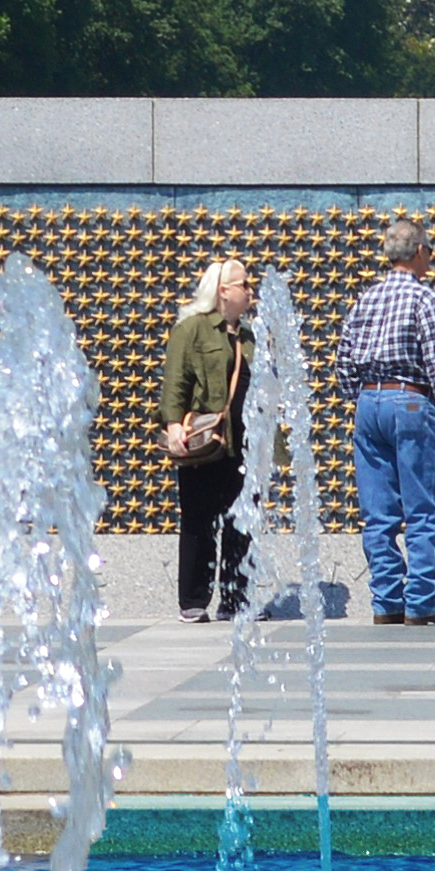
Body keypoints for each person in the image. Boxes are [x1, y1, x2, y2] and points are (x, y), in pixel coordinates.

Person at [332, 218, 435, 625]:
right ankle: (421, 601)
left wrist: (365, 398)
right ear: (420, 252)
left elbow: (342, 362)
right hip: (411, 400)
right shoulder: (425, 299)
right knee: (423, 506)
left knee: (378, 512)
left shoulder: (365, 299)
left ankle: (386, 601)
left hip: (369, 402)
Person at [162, 257, 256, 620]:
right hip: (206, 441)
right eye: (243, 285)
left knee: (241, 523)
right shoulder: (192, 330)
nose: (250, 291)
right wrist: (173, 425)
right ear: (223, 291)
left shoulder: (248, 335)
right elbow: (177, 381)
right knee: (199, 519)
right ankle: (193, 600)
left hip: (244, 445)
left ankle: (235, 599)